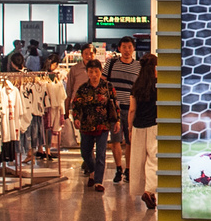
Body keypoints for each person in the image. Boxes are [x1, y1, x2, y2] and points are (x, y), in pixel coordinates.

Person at [68, 59, 119, 191]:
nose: (94, 74)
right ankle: (92, 170)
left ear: (101, 71)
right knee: (85, 152)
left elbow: (114, 104)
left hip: (103, 124)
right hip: (86, 124)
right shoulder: (83, 89)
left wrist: (117, 120)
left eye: (96, 71)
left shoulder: (107, 87)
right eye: (91, 72)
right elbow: (76, 105)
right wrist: (76, 118)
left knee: (101, 153)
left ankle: (98, 181)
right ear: (87, 73)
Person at [104, 37, 141, 184]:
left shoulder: (138, 66)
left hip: (132, 108)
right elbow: (103, 82)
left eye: (129, 47)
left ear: (133, 49)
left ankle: (129, 170)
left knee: (130, 140)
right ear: (119, 48)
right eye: (124, 47)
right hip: (114, 110)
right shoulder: (111, 63)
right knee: (115, 141)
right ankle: (119, 168)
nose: (127, 50)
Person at [128, 47, 159, 210]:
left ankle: (141, 189)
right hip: (154, 126)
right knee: (153, 160)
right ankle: (150, 190)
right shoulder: (158, 85)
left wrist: (129, 127)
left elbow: (132, 109)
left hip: (138, 126)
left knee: (137, 161)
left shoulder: (136, 85)